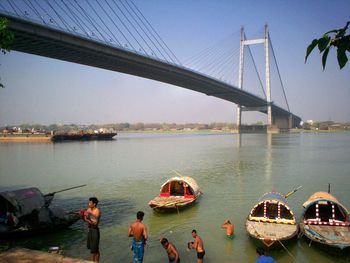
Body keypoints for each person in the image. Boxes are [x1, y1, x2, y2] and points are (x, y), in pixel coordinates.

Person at [82, 197, 101, 262]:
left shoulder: (97, 211)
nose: (89, 204)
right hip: (90, 229)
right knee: (91, 249)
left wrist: (88, 218)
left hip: (95, 230)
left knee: (95, 249)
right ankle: (92, 261)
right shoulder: (89, 209)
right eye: (89, 202)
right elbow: (85, 219)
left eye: (90, 203)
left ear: (94, 204)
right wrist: (82, 215)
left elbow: (95, 223)